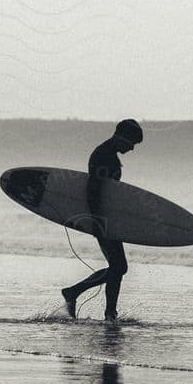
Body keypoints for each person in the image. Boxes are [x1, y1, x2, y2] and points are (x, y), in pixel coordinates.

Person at [62, 118, 143, 321]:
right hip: (102, 219)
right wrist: (98, 221)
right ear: (122, 138)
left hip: (106, 218)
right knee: (119, 267)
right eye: (132, 143)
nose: (132, 149)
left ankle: (108, 311)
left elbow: (108, 192)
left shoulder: (106, 153)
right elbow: (94, 190)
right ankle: (77, 293)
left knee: (118, 266)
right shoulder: (104, 156)